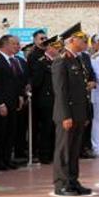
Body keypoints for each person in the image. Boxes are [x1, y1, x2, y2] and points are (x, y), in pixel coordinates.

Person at [51, 24, 93, 196]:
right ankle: (61, 184)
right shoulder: (62, 59)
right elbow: (60, 91)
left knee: (74, 150)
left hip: (79, 112)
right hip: (67, 114)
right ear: (72, 40)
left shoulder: (78, 59)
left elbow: (82, 89)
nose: (85, 42)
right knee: (64, 150)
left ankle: (73, 181)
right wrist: (65, 115)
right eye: (82, 39)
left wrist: (86, 114)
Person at [0, 35, 24, 170]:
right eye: (14, 44)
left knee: (10, 132)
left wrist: (20, 96)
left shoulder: (13, 61)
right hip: (3, 103)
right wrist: (0, 103)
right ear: (5, 45)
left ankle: (7, 158)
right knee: (0, 133)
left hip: (13, 102)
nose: (17, 46)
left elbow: (16, 82)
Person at [30, 35, 60, 164]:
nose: (58, 49)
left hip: (56, 99)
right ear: (48, 48)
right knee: (46, 128)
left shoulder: (56, 61)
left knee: (54, 127)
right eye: (55, 47)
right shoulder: (41, 62)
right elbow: (36, 82)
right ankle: (44, 154)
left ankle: (53, 152)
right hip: (45, 100)